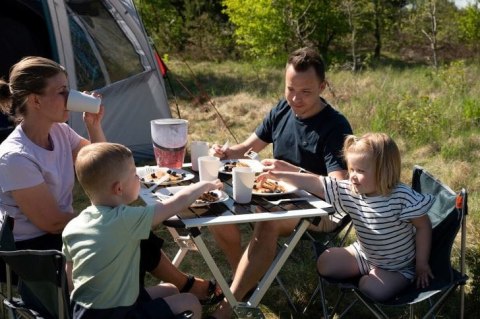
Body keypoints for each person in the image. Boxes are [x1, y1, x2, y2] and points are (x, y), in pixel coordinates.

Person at [0, 56, 222, 304]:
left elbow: (105, 168)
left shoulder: (59, 132)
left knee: (128, 228)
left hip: (63, 234)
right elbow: (51, 222)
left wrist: (94, 126)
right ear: (36, 100)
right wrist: (111, 222)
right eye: (62, 91)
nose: (70, 97)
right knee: (126, 230)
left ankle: (165, 291)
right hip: (37, 253)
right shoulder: (15, 158)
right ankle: (178, 289)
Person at [208, 47, 353, 318]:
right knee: (218, 205)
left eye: (306, 92)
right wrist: (226, 153)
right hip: (275, 194)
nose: (296, 99)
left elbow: (340, 187)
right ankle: (246, 281)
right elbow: (248, 147)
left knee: (268, 219)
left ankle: (230, 305)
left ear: (322, 86)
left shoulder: (335, 125)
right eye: (290, 89)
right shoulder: (283, 108)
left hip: (320, 208)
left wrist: (291, 172)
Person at [259, 133, 435, 301]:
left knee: (370, 288)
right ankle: (367, 273)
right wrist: (280, 175)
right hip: (364, 254)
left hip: (397, 267)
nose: (352, 176)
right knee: (325, 263)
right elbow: (318, 184)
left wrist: (421, 264)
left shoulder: (402, 197)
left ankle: (378, 279)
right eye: (351, 169)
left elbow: (423, 226)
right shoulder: (351, 191)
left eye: (360, 171)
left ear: (384, 170)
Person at [64, 142, 223, 318]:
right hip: (117, 313)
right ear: (119, 188)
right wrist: (204, 185)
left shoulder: (73, 226)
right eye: (134, 175)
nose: (137, 178)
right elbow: (175, 203)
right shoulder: (126, 220)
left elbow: (70, 277)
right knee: (190, 303)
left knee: (170, 289)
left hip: (82, 312)